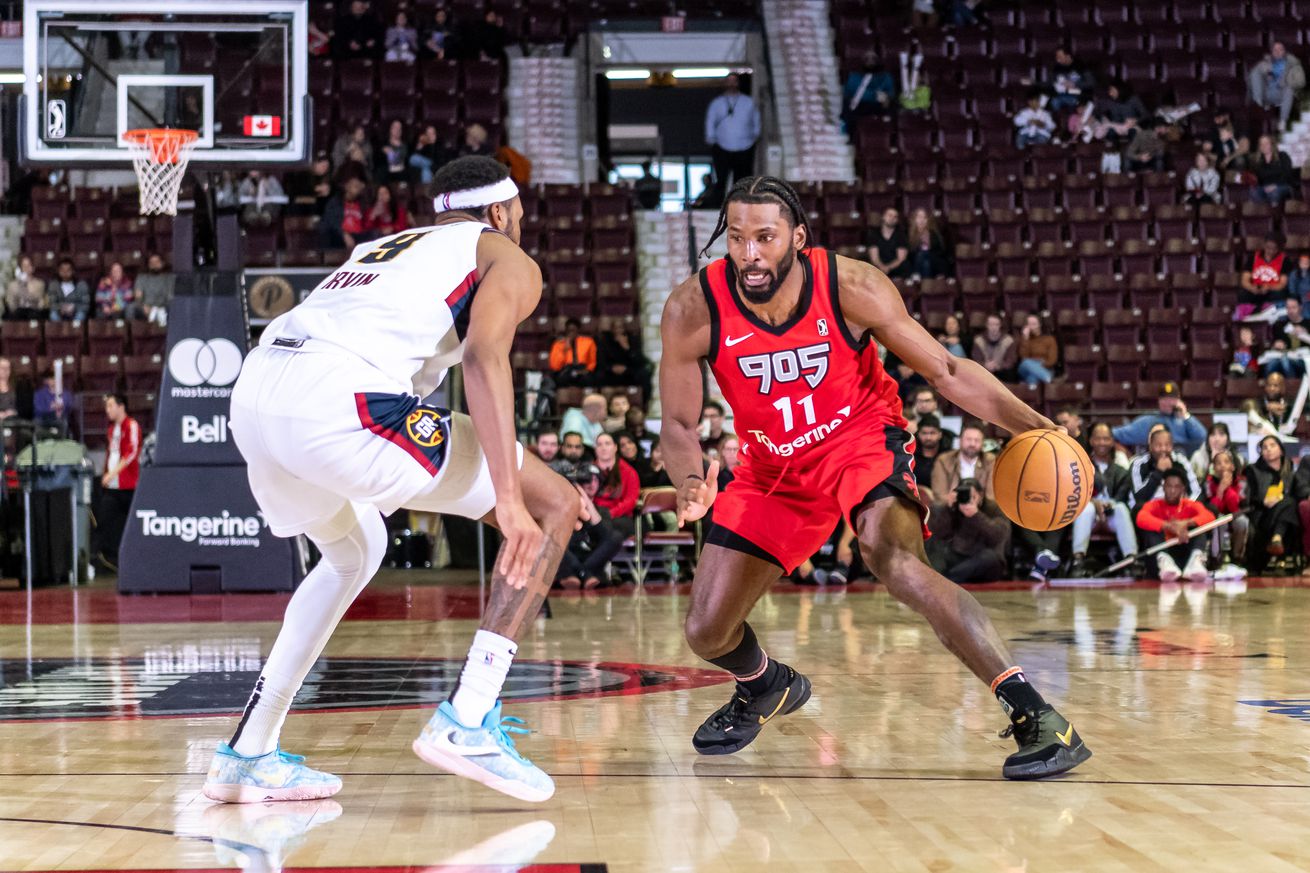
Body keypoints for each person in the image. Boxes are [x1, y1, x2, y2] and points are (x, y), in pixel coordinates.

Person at [658, 175, 1091, 780]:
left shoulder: (851, 285)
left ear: (798, 238)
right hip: (770, 467)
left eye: (765, 237)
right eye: (736, 238)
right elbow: (677, 424)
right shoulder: (692, 307)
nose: (750, 253)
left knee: (898, 563)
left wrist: (1034, 426)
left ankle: (1037, 714)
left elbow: (944, 369)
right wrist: (686, 482)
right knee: (706, 630)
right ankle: (764, 686)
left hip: (859, 440)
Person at [203, 156, 580, 806]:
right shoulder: (509, 258)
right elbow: (486, 357)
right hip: (335, 401)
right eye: (518, 214)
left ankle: (247, 753)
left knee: (356, 550)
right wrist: (509, 501)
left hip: (257, 393)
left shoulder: (384, 246)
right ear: (499, 212)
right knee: (554, 506)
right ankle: (469, 717)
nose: (521, 224)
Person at [1069, 422, 1137, 576]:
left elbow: (1121, 497)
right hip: (1088, 518)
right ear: (1091, 441)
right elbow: (1075, 494)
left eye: (1106, 439)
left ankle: (1130, 559)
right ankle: (1078, 560)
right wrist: (1094, 503)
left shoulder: (1120, 471)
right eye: (1098, 438)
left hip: (1112, 518)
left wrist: (1106, 506)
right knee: (1086, 507)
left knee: (1120, 508)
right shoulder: (1080, 467)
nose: (1102, 443)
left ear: (1112, 441)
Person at [1136, 468, 1215, 583]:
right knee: (1152, 529)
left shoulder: (1190, 505)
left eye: (1177, 487)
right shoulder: (1154, 505)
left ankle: (1196, 563)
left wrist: (1186, 523)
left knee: (1199, 526)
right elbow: (1141, 518)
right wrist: (1167, 526)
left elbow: (1209, 516)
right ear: (1163, 487)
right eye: (1169, 486)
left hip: (1185, 551)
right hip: (1162, 553)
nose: (1172, 490)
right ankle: (1165, 563)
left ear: (1183, 489)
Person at [926, 478, 1010, 584]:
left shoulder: (994, 508)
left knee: (990, 558)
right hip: (958, 555)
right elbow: (940, 534)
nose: (967, 498)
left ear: (981, 495)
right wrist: (948, 509)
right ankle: (938, 579)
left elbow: (997, 537)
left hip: (983, 558)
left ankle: (948, 580)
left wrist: (976, 515)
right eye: (964, 494)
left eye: (972, 496)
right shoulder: (954, 507)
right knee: (936, 548)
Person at [557, 464, 624, 590]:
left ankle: (581, 573)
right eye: (587, 480)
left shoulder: (602, 511)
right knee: (552, 541)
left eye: (596, 479)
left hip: (591, 557)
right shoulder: (565, 508)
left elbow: (604, 534)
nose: (591, 484)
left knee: (616, 536)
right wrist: (574, 489)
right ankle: (585, 574)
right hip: (569, 556)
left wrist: (585, 497)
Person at [95, 393, 141, 570]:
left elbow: (131, 453)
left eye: (110, 406)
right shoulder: (111, 429)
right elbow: (111, 454)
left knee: (132, 524)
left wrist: (112, 473)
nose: (107, 410)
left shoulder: (132, 425)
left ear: (121, 407)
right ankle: (99, 559)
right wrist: (106, 474)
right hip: (113, 488)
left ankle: (136, 559)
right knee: (104, 521)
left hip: (128, 486)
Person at [1242, 435, 1300, 572]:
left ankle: (1277, 538)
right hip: (1262, 514)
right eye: (1264, 447)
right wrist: (1263, 501)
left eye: (1272, 445)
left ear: (1281, 450)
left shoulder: (1289, 472)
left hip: (1285, 516)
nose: (1268, 449)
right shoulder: (1252, 470)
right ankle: (1279, 550)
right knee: (1290, 503)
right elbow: (1247, 498)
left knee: (1290, 503)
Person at [704, 74, 761, 206]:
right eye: (729, 81)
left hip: (744, 145)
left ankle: (742, 204)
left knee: (742, 180)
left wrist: (755, 135)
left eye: (734, 81)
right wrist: (710, 138)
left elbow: (756, 120)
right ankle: (718, 206)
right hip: (722, 145)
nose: (731, 84)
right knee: (721, 179)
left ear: (738, 83)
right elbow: (710, 121)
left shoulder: (748, 102)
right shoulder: (717, 103)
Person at [1112, 382, 1206, 455]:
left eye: (1171, 399)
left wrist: (1185, 416)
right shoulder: (1146, 421)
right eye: (1164, 399)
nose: (1168, 403)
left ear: (1179, 401)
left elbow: (1202, 438)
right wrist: (1124, 452)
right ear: (1159, 401)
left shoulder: (1185, 421)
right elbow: (1114, 434)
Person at [1127, 425, 1202, 517]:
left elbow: (1196, 491)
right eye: (1158, 445)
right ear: (1150, 446)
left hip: (1179, 511)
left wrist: (1185, 509)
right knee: (1138, 509)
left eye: (1167, 445)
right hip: (1150, 512)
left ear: (1172, 446)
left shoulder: (1181, 461)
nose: (1163, 449)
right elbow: (1139, 498)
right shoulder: (1138, 464)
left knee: (1207, 508)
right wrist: (1159, 472)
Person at [1205, 448, 1249, 570]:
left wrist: (1227, 488)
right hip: (1217, 516)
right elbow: (1212, 509)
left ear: (1233, 466)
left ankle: (1237, 557)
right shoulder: (1208, 483)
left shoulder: (1241, 483)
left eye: (1226, 462)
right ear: (1213, 468)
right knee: (1218, 520)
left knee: (1242, 521)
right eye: (1218, 463)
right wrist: (1220, 490)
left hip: (1234, 516)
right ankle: (1216, 558)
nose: (1222, 466)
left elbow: (1235, 508)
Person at [1248, 41, 1306, 130]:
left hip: (1284, 94)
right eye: (1275, 50)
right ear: (1271, 52)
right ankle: (1259, 103)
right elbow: (1253, 76)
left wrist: (1287, 81)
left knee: (1288, 89)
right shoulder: (1266, 62)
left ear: (1285, 51)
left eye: (1280, 49)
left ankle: (1283, 121)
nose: (1278, 52)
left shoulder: (1293, 64)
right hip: (1267, 93)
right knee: (1255, 72)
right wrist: (1265, 73)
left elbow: (1301, 82)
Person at [592, 431, 640, 538]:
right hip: (593, 515)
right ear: (595, 449)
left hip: (619, 517)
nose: (603, 448)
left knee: (607, 528)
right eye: (599, 444)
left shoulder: (629, 472)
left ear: (615, 447)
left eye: (607, 444)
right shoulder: (588, 471)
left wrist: (610, 514)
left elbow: (630, 501)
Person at [931, 421, 995, 499]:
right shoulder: (944, 460)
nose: (972, 444)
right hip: (950, 507)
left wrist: (977, 501)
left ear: (982, 443)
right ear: (960, 440)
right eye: (968, 439)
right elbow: (939, 494)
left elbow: (991, 496)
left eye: (977, 440)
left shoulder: (990, 461)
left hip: (982, 508)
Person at [1238, 233, 1291, 321]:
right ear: (1264, 245)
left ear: (1279, 248)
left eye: (1274, 248)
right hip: (1255, 289)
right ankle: (1246, 318)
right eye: (1268, 247)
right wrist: (1251, 288)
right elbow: (1244, 280)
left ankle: (1274, 319)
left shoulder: (1285, 260)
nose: (1270, 251)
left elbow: (1282, 284)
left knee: (1280, 294)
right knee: (1243, 294)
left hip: (1271, 291)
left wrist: (1269, 287)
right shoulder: (1253, 257)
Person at [596, 324, 650, 396]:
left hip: (628, 370)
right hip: (610, 371)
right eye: (615, 328)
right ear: (611, 330)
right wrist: (611, 368)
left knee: (643, 374)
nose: (618, 330)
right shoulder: (605, 341)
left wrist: (627, 347)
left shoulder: (633, 339)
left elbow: (639, 361)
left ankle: (645, 401)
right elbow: (601, 360)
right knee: (599, 375)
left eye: (620, 327)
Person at [1264, 296, 1310, 376]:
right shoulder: (1280, 325)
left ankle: (1292, 387)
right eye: (1288, 308)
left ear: (1300, 307)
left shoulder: (1308, 324)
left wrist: (1305, 333)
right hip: (1283, 355)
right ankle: (1269, 386)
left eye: (1293, 307)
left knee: (1285, 361)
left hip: (1302, 359)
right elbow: (1275, 343)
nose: (1290, 311)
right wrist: (1276, 345)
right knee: (1271, 364)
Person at [321, 175, 370, 250]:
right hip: (339, 236)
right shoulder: (335, 202)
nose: (359, 188)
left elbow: (367, 222)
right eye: (356, 186)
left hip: (359, 236)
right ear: (347, 187)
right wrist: (344, 234)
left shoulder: (362, 203)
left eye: (360, 185)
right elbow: (331, 222)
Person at [548, 318, 597, 388]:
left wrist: (587, 370)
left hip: (582, 369)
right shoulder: (558, 344)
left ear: (578, 330)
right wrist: (564, 350)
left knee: (589, 379)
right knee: (560, 380)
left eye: (573, 330)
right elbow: (555, 366)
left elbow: (592, 361)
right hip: (566, 370)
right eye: (569, 330)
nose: (571, 333)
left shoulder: (589, 342)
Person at [1250, 135, 1298, 206]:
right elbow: (1258, 179)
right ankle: (1262, 213)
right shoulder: (1258, 161)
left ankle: (1274, 215)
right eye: (1261, 144)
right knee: (1253, 192)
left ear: (1272, 145)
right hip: (1265, 187)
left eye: (1266, 143)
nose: (1264, 146)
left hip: (1282, 185)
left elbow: (1287, 174)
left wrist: (1275, 185)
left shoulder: (1282, 156)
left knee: (1274, 193)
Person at [971, 314, 1017, 383]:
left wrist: (998, 366)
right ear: (987, 325)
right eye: (991, 324)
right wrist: (985, 365)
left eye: (996, 324)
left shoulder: (1008, 340)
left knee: (1010, 373)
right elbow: (976, 359)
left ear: (1000, 325)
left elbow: (1010, 360)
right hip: (984, 370)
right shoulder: (978, 340)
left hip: (1002, 370)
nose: (994, 327)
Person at [1016, 314, 1058, 386]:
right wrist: (1025, 338)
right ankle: (1047, 378)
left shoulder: (1049, 339)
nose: (1031, 327)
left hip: (1044, 367)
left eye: (1034, 324)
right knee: (1026, 362)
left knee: (1032, 377)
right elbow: (1023, 356)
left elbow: (1052, 360)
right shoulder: (1024, 339)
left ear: (1040, 325)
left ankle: (1035, 395)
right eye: (1029, 324)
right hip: (1025, 367)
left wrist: (1039, 365)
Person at [869, 208, 909, 279]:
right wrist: (882, 267)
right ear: (883, 217)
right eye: (890, 215)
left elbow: (901, 258)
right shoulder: (874, 234)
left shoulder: (901, 235)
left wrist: (888, 268)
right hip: (879, 266)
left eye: (895, 216)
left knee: (905, 265)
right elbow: (874, 258)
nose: (892, 218)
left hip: (895, 267)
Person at [135, 253, 175, 326]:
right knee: (131, 308)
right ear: (149, 265)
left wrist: (159, 309)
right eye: (152, 263)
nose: (154, 265)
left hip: (164, 307)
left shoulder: (170, 278)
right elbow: (138, 296)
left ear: (162, 263)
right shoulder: (141, 278)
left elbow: (170, 297)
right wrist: (143, 306)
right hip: (146, 306)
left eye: (157, 262)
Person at [47, 257, 91, 322]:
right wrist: (61, 307)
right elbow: (51, 303)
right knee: (53, 314)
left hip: (76, 311)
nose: (65, 272)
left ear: (73, 271)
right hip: (59, 312)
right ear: (58, 271)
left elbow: (86, 304)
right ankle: (59, 332)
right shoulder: (53, 285)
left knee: (81, 314)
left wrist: (74, 307)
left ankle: (75, 331)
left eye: (68, 270)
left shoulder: (81, 284)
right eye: (62, 270)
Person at [907, 208, 946, 279]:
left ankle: (916, 274)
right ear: (914, 219)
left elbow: (940, 251)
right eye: (919, 217)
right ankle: (926, 285)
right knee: (926, 263)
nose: (921, 220)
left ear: (927, 220)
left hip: (933, 262)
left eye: (924, 218)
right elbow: (909, 253)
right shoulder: (909, 234)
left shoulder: (933, 233)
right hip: (915, 262)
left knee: (924, 255)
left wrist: (929, 244)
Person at [6, 254, 46, 319]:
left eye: (28, 266)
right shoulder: (12, 284)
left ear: (33, 268)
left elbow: (39, 301)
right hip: (17, 311)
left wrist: (25, 285)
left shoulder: (39, 283)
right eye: (23, 266)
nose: (26, 269)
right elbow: (11, 302)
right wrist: (21, 283)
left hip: (33, 311)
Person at [913, 413, 944, 494]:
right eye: (924, 433)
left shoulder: (947, 455)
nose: (928, 437)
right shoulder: (910, 455)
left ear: (940, 434)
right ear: (918, 434)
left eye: (932, 433)